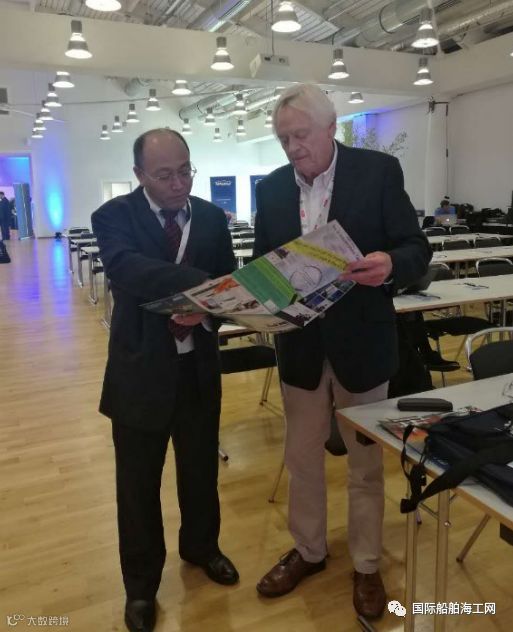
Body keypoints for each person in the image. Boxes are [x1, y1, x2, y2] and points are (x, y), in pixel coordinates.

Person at [253, 84, 432, 619]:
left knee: (365, 465)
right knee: (301, 458)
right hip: (301, 347)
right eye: (283, 138)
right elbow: (263, 262)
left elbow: (416, 247)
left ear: (331, 127)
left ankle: (367, 564)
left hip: (362, 343)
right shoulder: (271, 189)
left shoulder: (378, 172)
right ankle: (309, 550)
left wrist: (390, 264)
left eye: (301, 135)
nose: (292, 148)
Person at [91, 128, 239, 632]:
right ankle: (140, 587)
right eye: (164, 175)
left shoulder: (212, 218)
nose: (178, 184)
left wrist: (212, 307)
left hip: (197, 367)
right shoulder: (113, 217)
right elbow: (128, 271)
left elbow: (230, 283)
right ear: (139, 175)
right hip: (139, 372)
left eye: (185, 171)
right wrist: (205, 286)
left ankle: (202, 547)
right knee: (137, 486)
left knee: (200, 470)